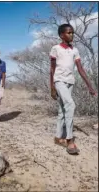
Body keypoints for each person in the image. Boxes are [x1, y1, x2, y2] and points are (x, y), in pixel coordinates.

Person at [50, 24, 97, 155]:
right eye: (69, 33)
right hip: (58, 80)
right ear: (61, 35)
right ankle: (69, 139)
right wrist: (52, 87)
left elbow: (80, 69)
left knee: (62, 110)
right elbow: (52, 69)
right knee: (71, 104)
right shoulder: (56, 49)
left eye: (72, 33)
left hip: (70, 82)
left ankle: (58, 137)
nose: (71, 35)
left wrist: (90, 86)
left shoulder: (74, 50)